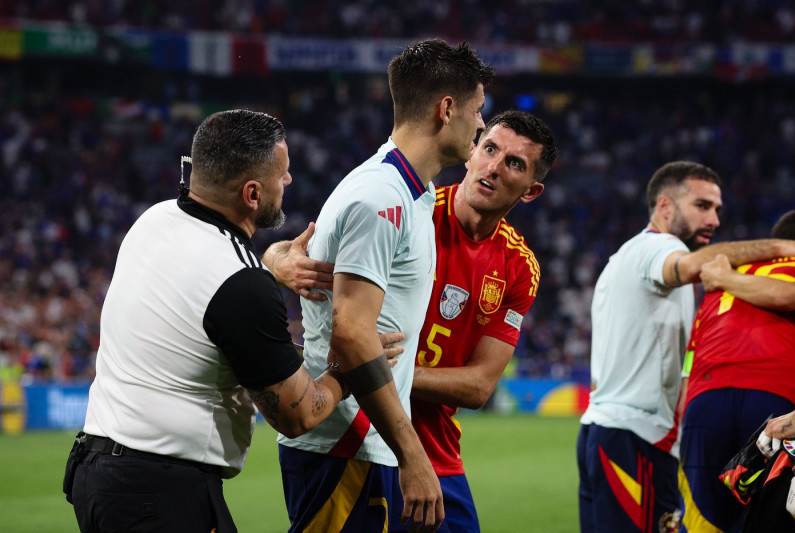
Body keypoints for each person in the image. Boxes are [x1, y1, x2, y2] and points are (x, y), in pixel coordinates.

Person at [64, 109, 359, 533]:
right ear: (252, 194)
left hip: (98, 474)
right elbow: (297, 415)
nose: (289, 181)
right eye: (284, 173)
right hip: (159, 494)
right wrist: (346, 369)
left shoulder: (153, 220)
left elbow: (219, 337)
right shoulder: (240, 280)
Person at [266, 109, 557, 532]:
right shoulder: (410, 205)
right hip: (360, 433)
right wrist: (277, 260)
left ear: (530, 191)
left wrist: (377, 367)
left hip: (436, 451)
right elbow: (302, 241)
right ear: (472, 151)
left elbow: (479, 386)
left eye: (514, 163)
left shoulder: (519, 267)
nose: (494, 167)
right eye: (490, 149)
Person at [273, 38, 494, 533]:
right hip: (344, 446)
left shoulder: (414, 194)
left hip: (364, 444)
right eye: (479, 110)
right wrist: (414, 454)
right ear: (447, 108)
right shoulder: (381, 197)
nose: (482, 124)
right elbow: (351, 334)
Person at [576, 161, 795, 533]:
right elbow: (691, 266)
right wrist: (780, 246)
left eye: (717, 209)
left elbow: (687, 368)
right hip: (634, 435)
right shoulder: (655, 248)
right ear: (665, 206)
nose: (713, 219)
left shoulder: (636, 263)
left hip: (625, 430)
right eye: (702, 206)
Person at [679, 207, 795, 532]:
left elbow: (689, 364)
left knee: (704, 519)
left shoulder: (725, 278)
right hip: (777, 399)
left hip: (704, 401)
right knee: (771, 518)